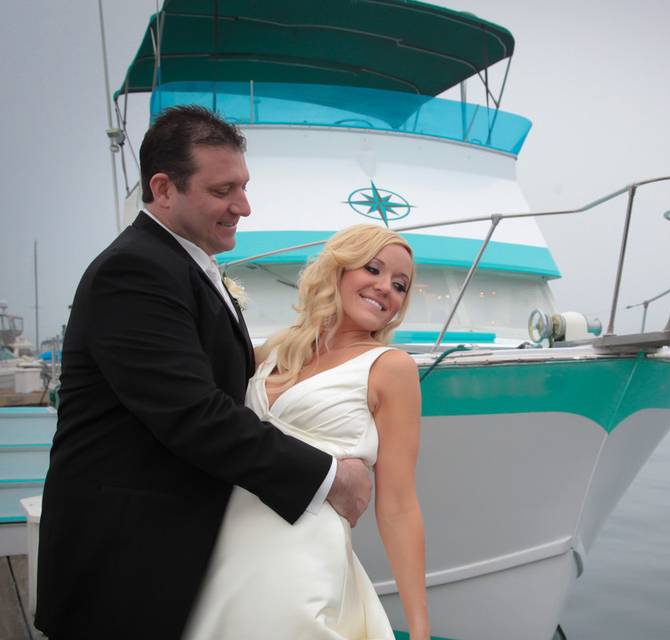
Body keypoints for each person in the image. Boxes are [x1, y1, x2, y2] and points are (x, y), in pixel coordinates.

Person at [35, 106, 372, 639]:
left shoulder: (183, 263)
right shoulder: (134, 271)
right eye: (222, 191)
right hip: (124, 569)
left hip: (171, 557)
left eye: (243, 186)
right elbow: (194, 414)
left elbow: (221, 376)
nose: (243, 205)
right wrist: (329, 477)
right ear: (164, 189)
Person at [184, 224, 428, 640]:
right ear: (338, 269)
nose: (386, 288)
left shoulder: (391, 368)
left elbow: (399, 505)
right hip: (225, 553)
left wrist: (420, 629)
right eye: (373, 269)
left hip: (306, 562)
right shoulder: (272, 351)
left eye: (400, 285)